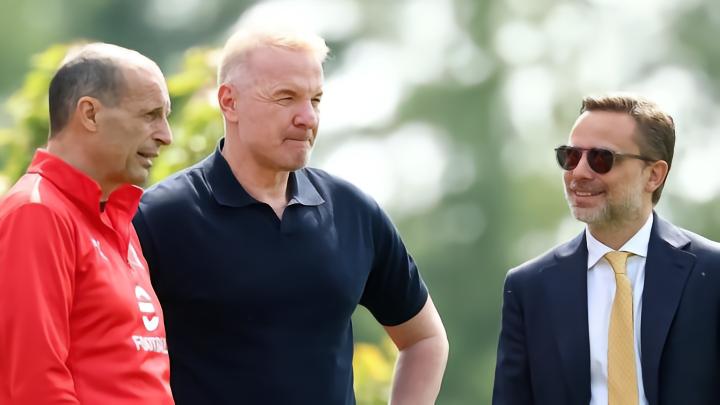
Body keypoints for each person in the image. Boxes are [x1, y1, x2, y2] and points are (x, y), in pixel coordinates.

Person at [133, 24, 449, 405]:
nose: (308, 118)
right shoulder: (158, 218)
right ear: (229, 102)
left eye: (315, 100)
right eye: (286, 98)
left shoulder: (352, 212)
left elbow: (424, 339)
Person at [492, 93, 720, 405]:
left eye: (601, 158)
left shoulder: (711, 274)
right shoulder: (529, 287)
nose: (579, 172)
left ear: (654, 175)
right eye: (571, 156)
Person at [0, 43, 174, 404]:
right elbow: (34, 386)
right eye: (150, 115)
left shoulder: (115, 218)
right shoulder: (37, 212)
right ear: (90, 114)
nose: (165, 135)